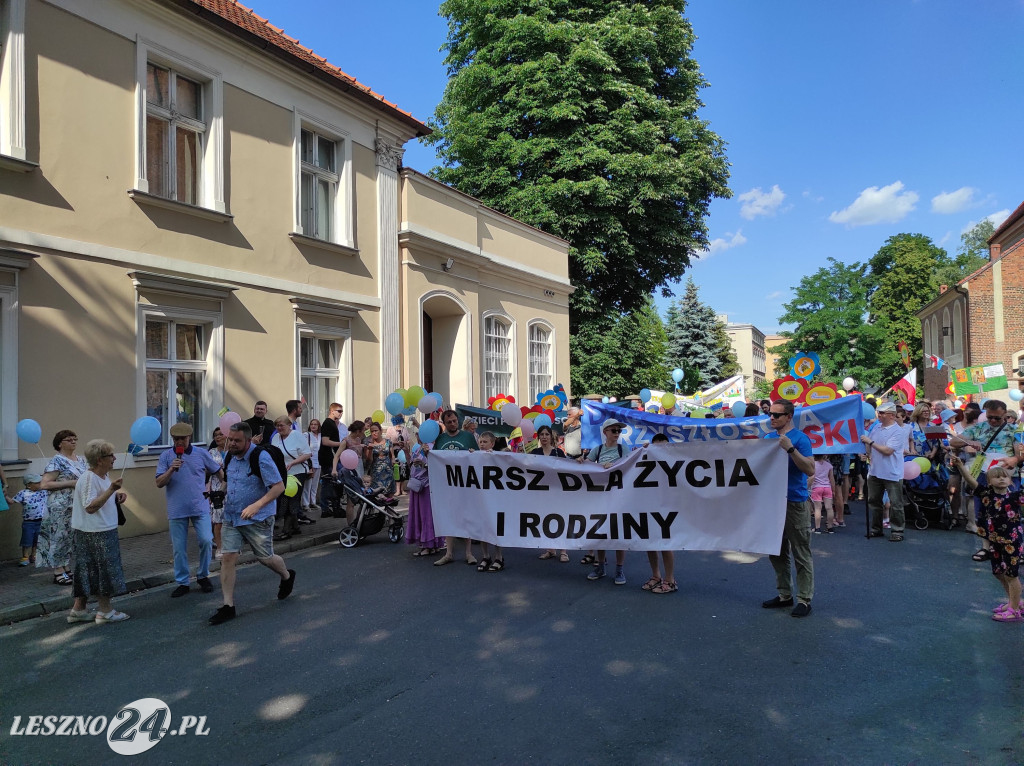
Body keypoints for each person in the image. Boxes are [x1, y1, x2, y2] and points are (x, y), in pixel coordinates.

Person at [209, 422, 295, 626]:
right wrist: (220, 491)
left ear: (249, 440)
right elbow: (229, 479)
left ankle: (286, 575)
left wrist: (256, 506)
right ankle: (228, 606)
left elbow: (278, 487)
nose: (232, 444)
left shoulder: (261, 457)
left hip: (258, 518)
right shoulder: (229, 455)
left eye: (237, 441)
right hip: (232, 515)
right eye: (231, 439)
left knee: (264, 558)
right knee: (228, 557)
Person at [65, 440, 130, 624]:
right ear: (100, 459)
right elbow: (90, 506)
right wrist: (111, 490)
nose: (114, 458)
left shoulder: (101, 476)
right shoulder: (89, 478)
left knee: (88, 571)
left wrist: (115, 496)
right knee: (104, 572)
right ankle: (105, 611)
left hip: (95, 531)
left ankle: (78, 610)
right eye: (111, 456)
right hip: (96, 533)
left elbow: (98, 499)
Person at [951, 458, 1023, 622]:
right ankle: (1014, 602)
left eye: (1004, 476)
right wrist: (961, 466)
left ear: (1010, 480)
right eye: (997, 476)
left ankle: (1014, 610)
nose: (1002, 478)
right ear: (989, 481)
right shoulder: (985, 494)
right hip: (994, 540)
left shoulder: (1016, 496)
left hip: (1012, 542)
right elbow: (970, 480)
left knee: (1011, 575)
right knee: (999, 572)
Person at [155, 422, 222, 597]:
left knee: (207, 541)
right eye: (176, 439)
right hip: (177, 509)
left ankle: (203, 575)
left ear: (189, 438)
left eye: (182, 439)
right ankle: (183, 581)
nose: (179, 442)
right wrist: (171, 469)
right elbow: (159, 483)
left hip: (199, 506)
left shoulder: (201, 453)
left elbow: (218, 471)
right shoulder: (166, 456)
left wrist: (225, 487)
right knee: (179, 548)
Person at [762, 400, 816, 617]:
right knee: (776, 552)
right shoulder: (766, 439)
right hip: (771, 503)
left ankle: (804, 599)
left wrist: (790, 449)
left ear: (789, 416)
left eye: (777, 415)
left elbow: (810, 468)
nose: (772, 418)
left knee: (801, 552)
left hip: (795, 501)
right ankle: (785, 594)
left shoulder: (801, 440)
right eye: (770, 415)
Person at [949, 399, 1019, 561]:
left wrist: (1015, 459)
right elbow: (954, 441)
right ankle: (986, 547)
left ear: (1005, 415)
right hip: (984, 473)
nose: (993, 421)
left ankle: (1011, 546)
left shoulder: (1014, 430)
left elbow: (1020, 454)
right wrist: (969, 441)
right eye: (990, 418)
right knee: (983, 511)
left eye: (997, 418)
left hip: (1006, 475)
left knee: (1010, 512)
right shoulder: (979, 427)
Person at [38, 430, 88, 585]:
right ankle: (58, 570)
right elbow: (44, 484)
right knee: (59, 536)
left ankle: (66, 566)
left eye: (75, 439)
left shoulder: (80, 460)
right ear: (60, 443)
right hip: (60, 506)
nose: (73, 442)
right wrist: (70, 483)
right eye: (69, 439)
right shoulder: (57, 461)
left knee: (70, 537)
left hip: (76, 505)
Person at [585, 418, 629, 585]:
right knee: (600, 531)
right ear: (605, 433)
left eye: (619, 431)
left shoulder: (622, 448)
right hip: (600, 496)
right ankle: (601, 567)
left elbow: (629, 465)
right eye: (614, 430)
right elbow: (586, 466)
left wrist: (615, 465)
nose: (617, 433)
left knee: (619, 533)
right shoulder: (597, 450)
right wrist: (582, 462)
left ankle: (619, 569)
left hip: (618, 496)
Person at [432, 410, 479, 567]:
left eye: (454, 421)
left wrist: (473, 454)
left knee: (466, 517)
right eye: (449, 422)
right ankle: (449, 553)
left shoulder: (467, 437)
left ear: (458, 421)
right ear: (444, 424)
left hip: (465, 484)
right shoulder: (440, 439)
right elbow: (435, 461)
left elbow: (478, 458)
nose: (452, 424)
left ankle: (468, 553)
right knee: (448, 517)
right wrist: (428, 454)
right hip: (446, 485)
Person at [861, 401, 907, 541]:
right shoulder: (876, 428)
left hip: (892, 472)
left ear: (891, 415)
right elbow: (871, 446)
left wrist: (870, 443)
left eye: (882, 413)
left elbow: (887, 451)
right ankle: (876, 528)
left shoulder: (898, 431)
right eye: (878, 413)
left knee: (895, 503)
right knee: (874, 501)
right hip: (875, 471)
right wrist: (866, 451)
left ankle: (897, 531)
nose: (879, 415)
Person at [643, 433, 677, 594]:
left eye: (663, 446)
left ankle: (670, 580)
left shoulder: (674, 460)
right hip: (650, 505)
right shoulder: (647, 459)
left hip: (667, 507)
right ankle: (656, 576)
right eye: (657, 446)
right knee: (650, 543)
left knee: (665, 544)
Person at [271, 415, 312, 541]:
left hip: (298, 472)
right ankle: (295, 527)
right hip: (283, 473)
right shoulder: (276, 438)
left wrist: (293, 463)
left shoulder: (297, 436)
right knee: (287, 498)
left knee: (290, 499)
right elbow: (273, 454)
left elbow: (307, 453)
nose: (279, 428)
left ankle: (286, 530)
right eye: (277, 426)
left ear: (289, 425)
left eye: (281, 425)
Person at [533, 425, 570, 563]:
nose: (544, 437)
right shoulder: (535, 452)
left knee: (560, 519)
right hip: (542, 493)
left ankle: (564, 551)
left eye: (546, 434)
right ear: (538, 437)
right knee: (546, 520)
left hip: (557, 492)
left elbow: (568, 469)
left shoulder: (558, 453)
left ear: (551, 437)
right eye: (541, 434)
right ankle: (550, 549)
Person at [406, 438, 444, 556]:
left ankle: (429, 545)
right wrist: (406, 452)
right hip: (416, 485)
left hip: (427, 485)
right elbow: (410, 464)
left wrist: (424, 463)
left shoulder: (434, 448)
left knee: (427, 515)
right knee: (419, 515)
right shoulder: (417, 448)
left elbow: (437, 467)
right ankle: (430, 545)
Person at [475, 431, 505, 572]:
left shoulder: (497, 457)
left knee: (495, 529)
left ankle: (499, 557)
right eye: (480, 442)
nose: (482, 444)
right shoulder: (475, 456)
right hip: (481, 498)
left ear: (492, 444)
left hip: (495, 499)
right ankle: (485, 556)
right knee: (483, 529)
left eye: (485, 442)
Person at [9, 473, 46, 566]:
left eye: (39, 482)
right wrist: (4, 495)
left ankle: (33, 555)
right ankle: (25, 556)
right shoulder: (23, 493)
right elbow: (12, 501)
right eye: (37, 483)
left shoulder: (43, 491)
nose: (39, 484)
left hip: (41, 521)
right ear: (29, 485)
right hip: (29, 522)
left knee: (37, 540)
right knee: (27, 539)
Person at [317, 403, 344, 518]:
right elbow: (325, 441)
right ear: (332, 411)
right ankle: (326, 508)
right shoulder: (328, 423)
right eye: (338, 411)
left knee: (332, 483)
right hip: (329, 458)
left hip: (332, 457)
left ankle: (331, 507)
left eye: (342, 411)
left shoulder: (332, 423)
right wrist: (342, 444)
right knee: (329, 483)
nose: (341, 413)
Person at [206, 427, 228, 558]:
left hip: (232, 490)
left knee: (230, 520)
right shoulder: (211, 453)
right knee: (218, 520)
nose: (218, 437)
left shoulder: (234, 451)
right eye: (216, 435)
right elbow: (205, 472)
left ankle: (231, 547)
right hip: (217, 490)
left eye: (221, 434)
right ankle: (219, 548)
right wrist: (214, 469)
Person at [363, 422, 395, 498]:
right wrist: (370, 450)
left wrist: (393, 461)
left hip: (388, 472)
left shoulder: (388, 442)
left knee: (389, 497)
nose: (374, 433)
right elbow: (369, 460)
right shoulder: (369, 444)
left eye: (376, 430)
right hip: (376, 474)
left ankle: (389, 510)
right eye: (372, 431)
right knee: (378, 497)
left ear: (380, 430)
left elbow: (392, 456)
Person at [809, 454, 837, 534]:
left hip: (816, 488)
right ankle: (830, 527)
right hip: (827, 487)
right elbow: (831, 478)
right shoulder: (829, 465)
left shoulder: (813, 464)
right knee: (829, 508)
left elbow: (811, 477)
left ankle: (817, 528)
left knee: (817, 508)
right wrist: (833, 490)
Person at [302, 418, 322, 515]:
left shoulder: (320, 436)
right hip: (309, 462)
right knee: (308, 484)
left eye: (315, 424)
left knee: (315, 484)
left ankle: (312, 501)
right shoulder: (307, 435)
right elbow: (303, 447)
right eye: (311, 424)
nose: (313, 426)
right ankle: (305, 503)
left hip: (319, 462)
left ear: (319, 426)